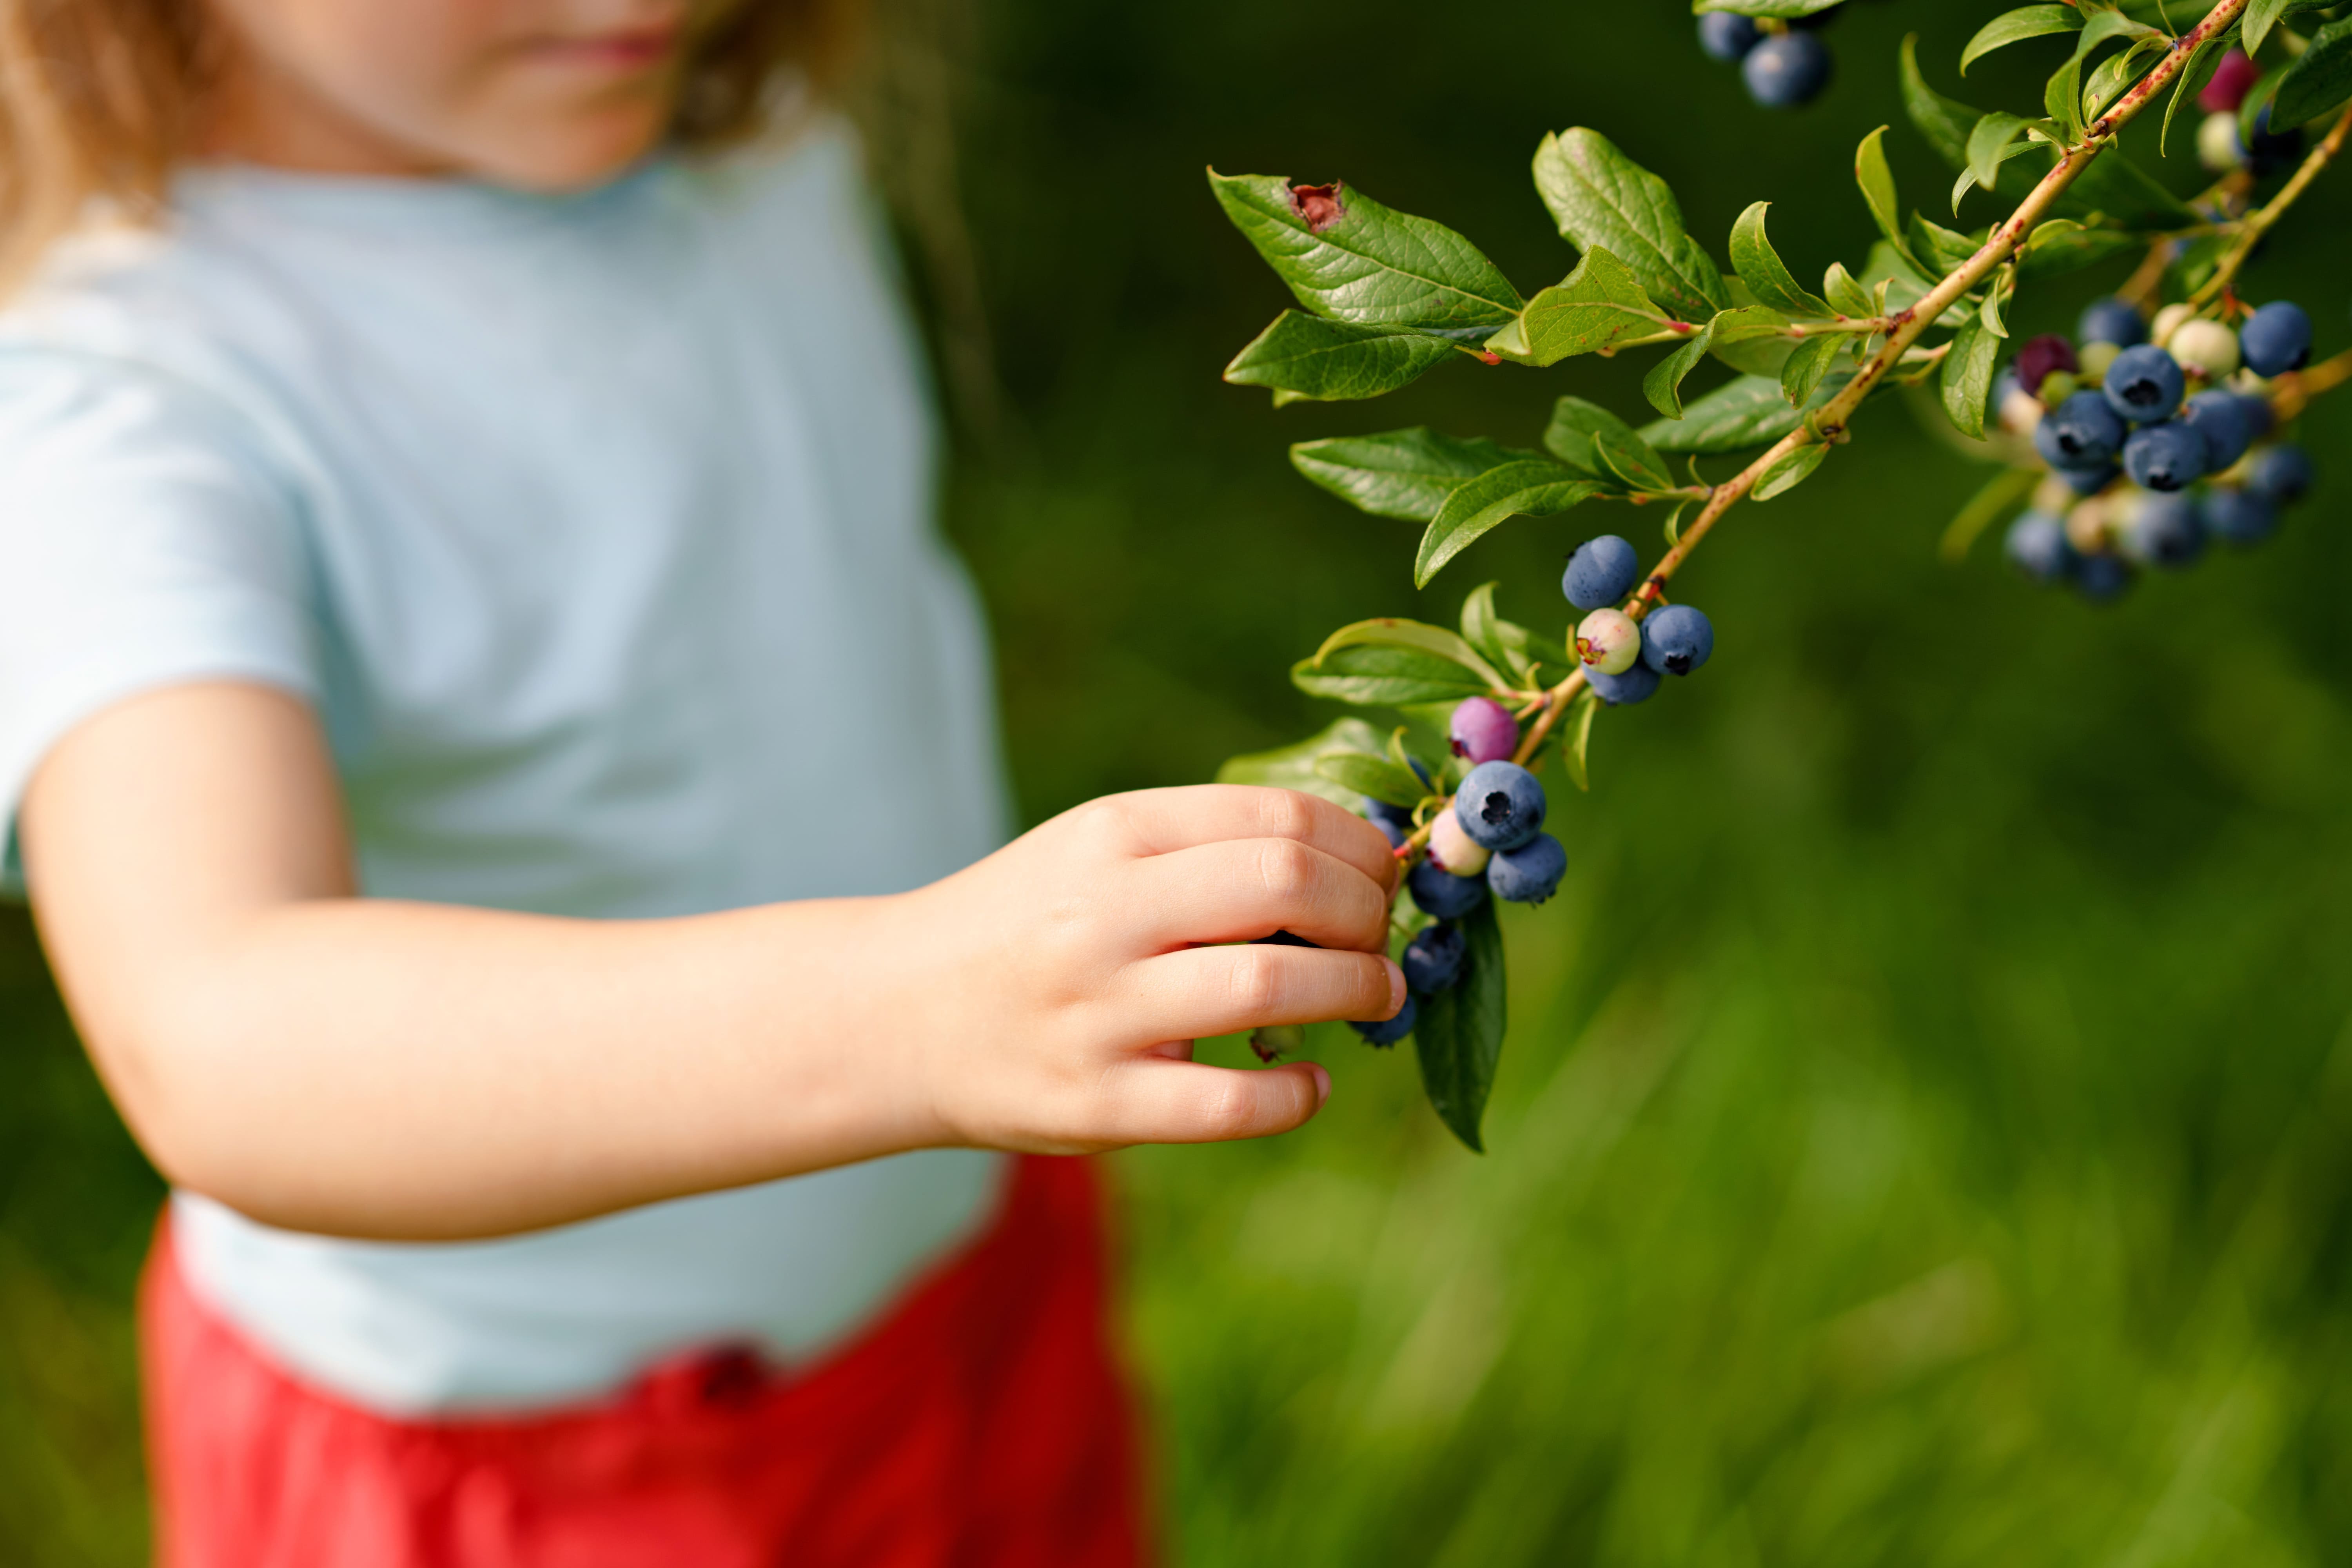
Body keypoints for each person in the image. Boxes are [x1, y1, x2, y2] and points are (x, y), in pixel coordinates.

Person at [0, 1, 1407, 1560]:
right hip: (544, 1469)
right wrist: (907, 1009)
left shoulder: (743, 143)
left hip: (959, 1279)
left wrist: (948, 1051)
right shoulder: (134, 406)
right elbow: (218, 1024)